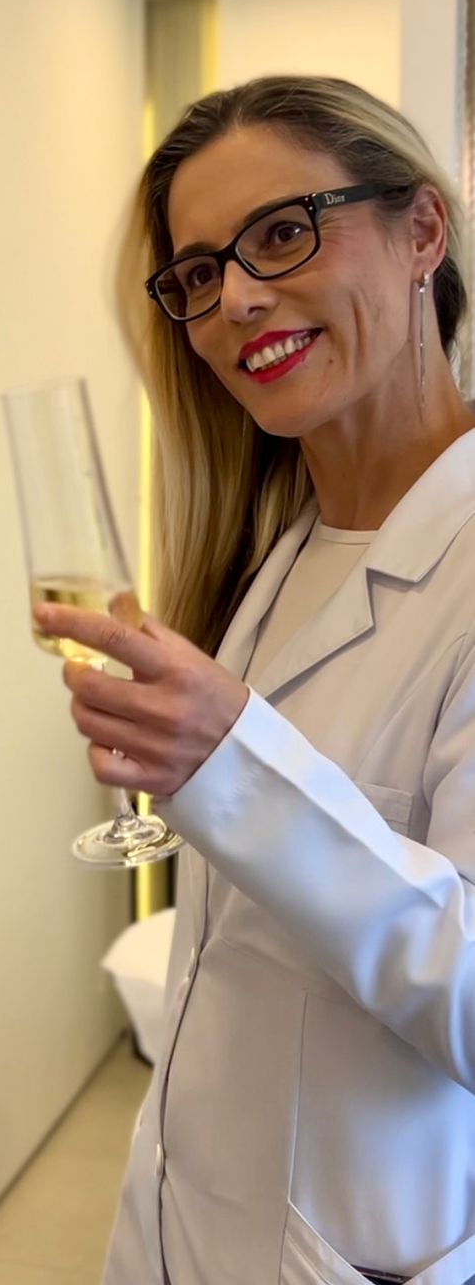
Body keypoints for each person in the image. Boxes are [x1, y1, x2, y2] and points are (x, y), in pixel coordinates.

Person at [36, 76, 475, 1285]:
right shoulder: (278, 560)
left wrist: (237, 765)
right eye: (197, 274)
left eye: (284, 234)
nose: (234, 298)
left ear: (422, 231)